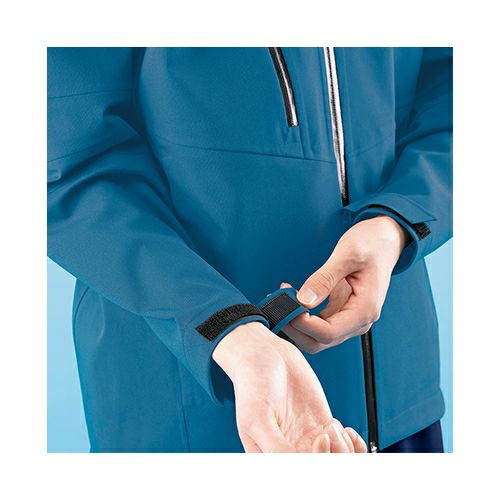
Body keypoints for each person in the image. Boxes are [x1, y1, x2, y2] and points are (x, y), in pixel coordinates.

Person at [47, 47, 452, 452]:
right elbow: (71, 169)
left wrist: (396, 224)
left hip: (399, 389)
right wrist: (222, 325)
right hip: (194, 405)